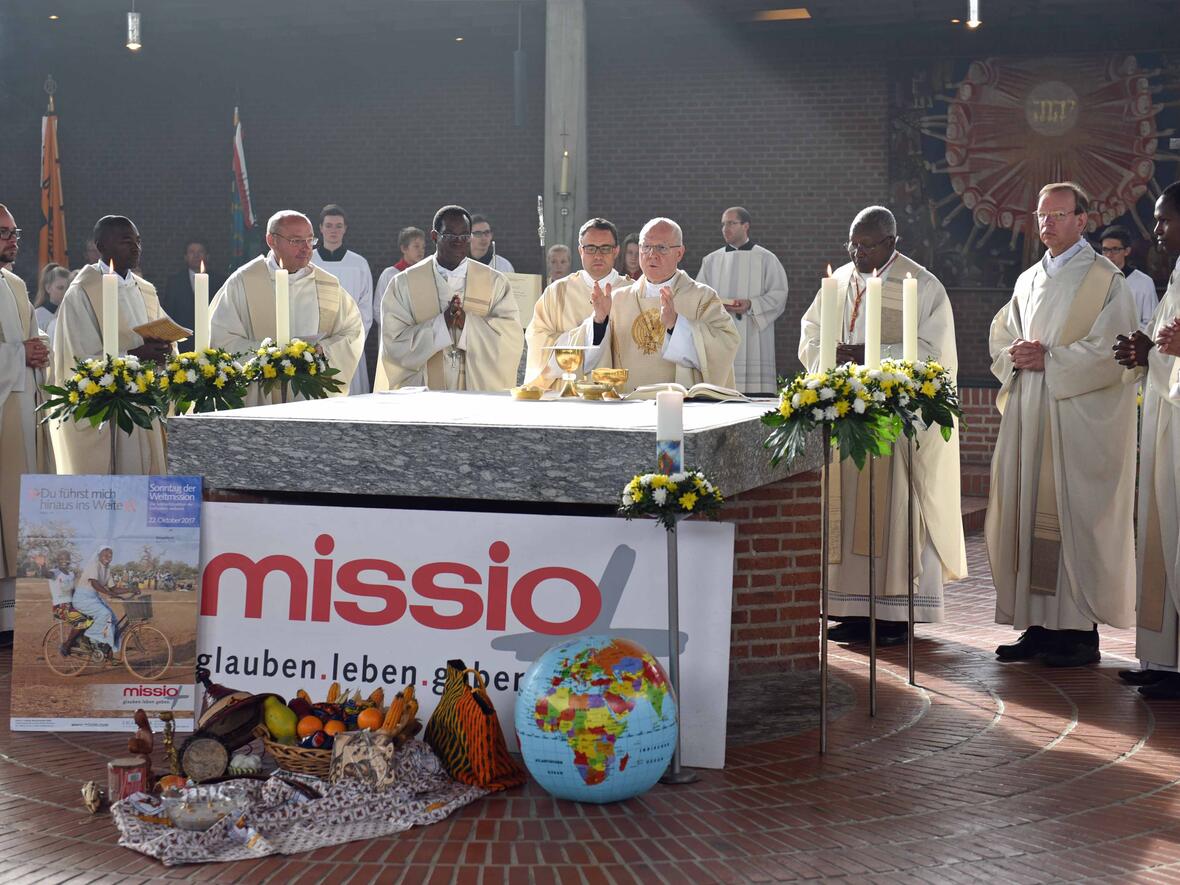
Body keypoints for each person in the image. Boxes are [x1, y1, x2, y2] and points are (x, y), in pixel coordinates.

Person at [986, 182, 1138, 667]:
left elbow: (1114, 352)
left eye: (1058, 215)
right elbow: (1004, 333)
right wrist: (1015, 354)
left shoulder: (1104, 280)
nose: (1047, 223)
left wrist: (1052, 360)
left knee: (1073, 518)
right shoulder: (1028, 278)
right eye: (1041, 215)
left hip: (1074, 419)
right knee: (1030, 512)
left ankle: (1076, 634)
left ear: (1082, 220)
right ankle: (1037, 626)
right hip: (1032, 413)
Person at [799, 205, 966, 645]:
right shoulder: (837, 285)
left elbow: (934, 353)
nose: (858, 252)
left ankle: (893, 613)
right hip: (844, 416)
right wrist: (829, 357)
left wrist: (871, 357)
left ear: (892, 242)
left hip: (895, 423)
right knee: (847, 507)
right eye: (852, 244)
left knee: (891, 509)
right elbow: (811, 334)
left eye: (868, 244)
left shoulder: (921, 285)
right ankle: (851, 607)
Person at [1113, 183, 1180, 696]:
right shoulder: (1175, 275)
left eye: (1164, 219)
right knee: (1161, 532)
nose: (1156, 230)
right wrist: (1144, 350)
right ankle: (1164, 661)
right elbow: (1164, 346)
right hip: (1164, 421)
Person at [51, 215, 172, 474]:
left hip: (144, 403)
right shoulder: (82, 291)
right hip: (110, 414)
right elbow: (77, 357)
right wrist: (133, 354)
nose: (135, 247)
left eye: (138, 241)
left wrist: (164, 350)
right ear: (101, 246)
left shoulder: (144, 289)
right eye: (126, 241)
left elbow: (160, 330)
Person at [209, 210, 364, 406]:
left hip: (310, 400)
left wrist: (323, 351)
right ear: (271, 241)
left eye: (310, 240)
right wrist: (270, 355)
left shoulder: (327, 285)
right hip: (259, 400)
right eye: (296, 241)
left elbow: (352, 332)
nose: (306, 248)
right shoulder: (244, 281)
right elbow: (221, 338)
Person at [578, 217, 739, 392]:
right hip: (627, 403)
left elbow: (727, 344)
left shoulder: (702, 297)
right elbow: (589, 357)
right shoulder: (618, 299)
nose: (652, 254)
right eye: (646, 247)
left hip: (681, 405)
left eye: (661, 248)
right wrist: (599, 322)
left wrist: (676, 325)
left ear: (679, 253)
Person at [376, 205, 523, 391]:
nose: (458, 242)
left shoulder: (495, 282)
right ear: (434, 236)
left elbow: (511, 339)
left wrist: (468, 325)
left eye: (464, 236)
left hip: (477, 395)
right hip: (425, 397)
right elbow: (393, 344)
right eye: (450, 236)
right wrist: (440, 325)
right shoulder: (403, 283)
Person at [0, 205, 53, 640]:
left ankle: (15, 614)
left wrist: (38, 352)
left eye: (14, 231)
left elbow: (32, 338)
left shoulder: (15, 283)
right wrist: (20, 355)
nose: (12, 239)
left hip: (20, 407)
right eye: (3, 232)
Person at [525, 218, 626, 390]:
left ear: (616, 251)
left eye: (605, 248)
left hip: (617, 394)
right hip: (565, 392)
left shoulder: (631, 292)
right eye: (590, 248)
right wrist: (590, 330)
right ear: (580, 250)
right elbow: (538, 339)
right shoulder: (556, 292)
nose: (598, 255)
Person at [697, 207, 789, 394]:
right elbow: (699, 296)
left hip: (754, 336)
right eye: (723, 224)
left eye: (731, 223)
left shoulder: (766, 259)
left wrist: (751, 304)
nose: (725, 228)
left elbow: (779, 294)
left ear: (746, 226)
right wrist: (718, 306)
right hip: (721, 335)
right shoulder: (711, 261)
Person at [310, 205, 373, 395]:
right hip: (315, 344)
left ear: (345, 229)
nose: (333, 231)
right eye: (329, 226)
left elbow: (365, 308)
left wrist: (347, 339)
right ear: (320, 228)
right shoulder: (309, 262)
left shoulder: (359, 263)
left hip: (348, 343)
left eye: (338, 226)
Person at [162, 239, 224, 350]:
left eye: (200, 252)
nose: (196, 255)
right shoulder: (175, 282)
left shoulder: (219, 281)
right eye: (191, 252)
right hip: (183, 343)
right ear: (185, 256)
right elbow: (169, 313)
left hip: (211, 341)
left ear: (207, 256)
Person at [72, 545, 129, 657]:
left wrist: (131, 589)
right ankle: (87, 636)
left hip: (93, 598)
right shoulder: (94, 564)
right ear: (99, 555)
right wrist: (108, 593)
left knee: (113, 619)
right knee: (105, 614)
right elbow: (94, 583)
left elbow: (113, 588)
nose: (108, 556)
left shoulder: (107, 569)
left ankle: (103, 647)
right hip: (83, 598)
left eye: (110, 554)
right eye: (105, 554)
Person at [1100, 225, 1158, 333]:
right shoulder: (1095, 281)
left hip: (1130, 345)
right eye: (1105, 250)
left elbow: (1151, 324)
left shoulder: (1144, 282)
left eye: (1115, 250)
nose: (1109, 255)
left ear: (1127, 251)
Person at [46, 550, 91, 655]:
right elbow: (46, 574)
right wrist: (42, 565)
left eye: (66, 559)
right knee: (82, 622)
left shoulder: (71, 574)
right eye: (61, 559)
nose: (64, 561)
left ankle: (80, 641)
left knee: (91, 617)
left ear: (69, 561)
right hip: (60, 608)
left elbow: (73, 591)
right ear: (57, 560)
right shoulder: (54, 572)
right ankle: (67, 645)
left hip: (72, 606)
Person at [375, 227, 427, 316]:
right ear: (404, 248)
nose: (421, 250)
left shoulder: (426, 275)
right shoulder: (389, 274)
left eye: (423, 247)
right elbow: (379, 308)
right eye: (416, 246)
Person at [32, 263, 70, 342]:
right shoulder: (38, 316)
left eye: (68, 288)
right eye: (60, 288)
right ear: (48, 288)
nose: (65, 292)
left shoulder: (72, 313)